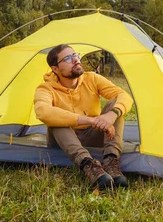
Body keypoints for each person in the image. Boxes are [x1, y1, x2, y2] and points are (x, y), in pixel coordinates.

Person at [34, 44, 133, 189]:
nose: (75, 60)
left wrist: (112, 115)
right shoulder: (45, 88)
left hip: (92, 134)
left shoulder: (91, 79)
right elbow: (42, 111)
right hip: (64, 139)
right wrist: (91, 120)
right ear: (55, 69)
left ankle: (111, 161)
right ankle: (88, 166)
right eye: (68, 58)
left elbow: (124, 96)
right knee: (55, 118)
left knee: (116, 104)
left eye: (76, 55)